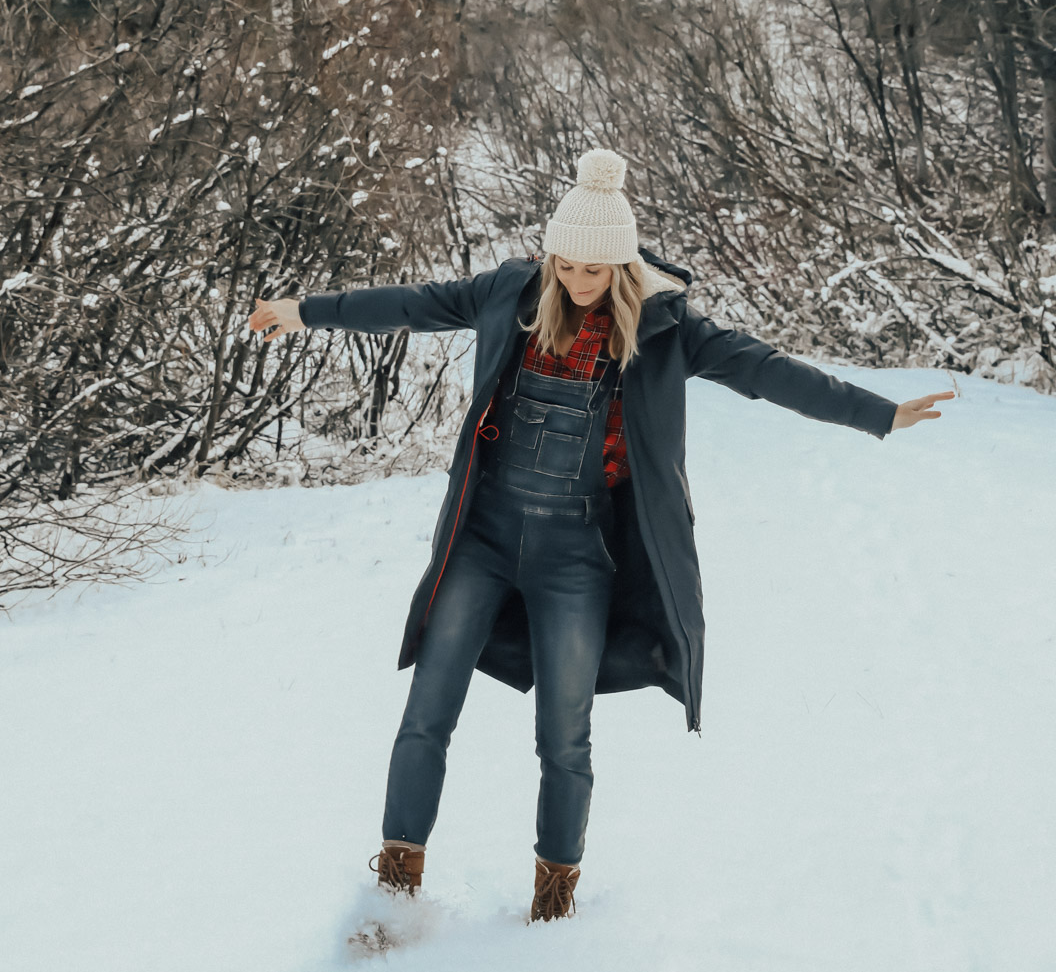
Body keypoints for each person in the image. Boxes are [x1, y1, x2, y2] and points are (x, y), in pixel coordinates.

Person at [248, 149, 951, 926]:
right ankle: (394, 892)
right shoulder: (508, 293)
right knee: (427, 710)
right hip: (479, 544)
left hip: (575, 561)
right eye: (568, 267)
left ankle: (553, 907)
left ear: (622, 267)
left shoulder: (667, 329)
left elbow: (766, 371)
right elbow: (413, 304)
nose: (579, 284)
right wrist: (306, 310)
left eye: (596, 272)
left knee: (565, 738)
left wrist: (879, 414)